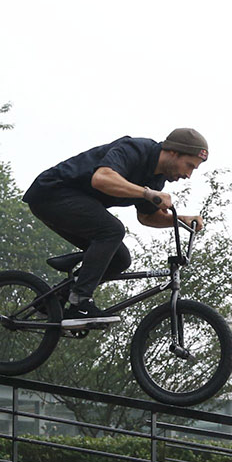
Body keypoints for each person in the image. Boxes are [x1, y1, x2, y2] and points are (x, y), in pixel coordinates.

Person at [22, 129, 209, 330]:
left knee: (119, 258)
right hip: (51, 193)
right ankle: (80, 303)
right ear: (173, 152)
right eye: (189, 166)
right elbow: (101, 178)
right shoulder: (135, 150)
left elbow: (147, 217)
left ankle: (52, 301)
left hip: (69, 205)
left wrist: (181, 220)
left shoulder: (156, 179)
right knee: (112, 230)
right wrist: (147, 193)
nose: (188, 175)